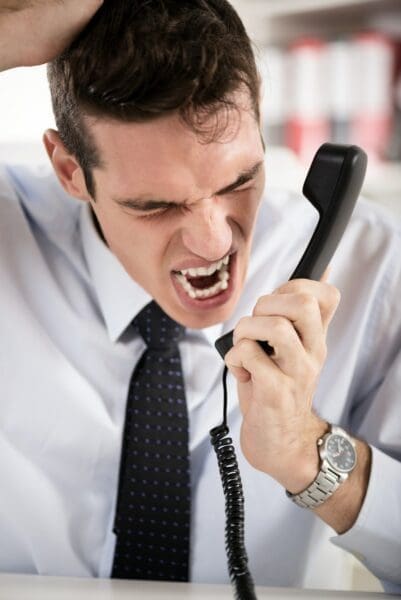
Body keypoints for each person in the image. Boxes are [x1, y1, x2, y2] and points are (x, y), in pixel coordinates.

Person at [0, 0, 400, 593]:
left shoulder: (372, 263)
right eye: (154, 206)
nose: (214, 240)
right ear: (69, 169)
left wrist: (306, 451)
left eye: (239, 180)